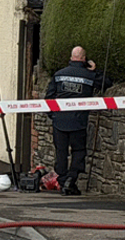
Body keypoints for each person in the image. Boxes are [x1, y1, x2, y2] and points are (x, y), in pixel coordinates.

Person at [44, 46, 112, 196]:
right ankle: (71, 180)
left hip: (59, 121)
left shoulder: (59, 75)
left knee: (61, 153)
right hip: (78, 122)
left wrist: (53, 115)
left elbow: (48, 98)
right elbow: (106, 83)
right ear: (84, 59)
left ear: (71, 57)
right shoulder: (89, 75)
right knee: (79, 152)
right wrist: (94, 70)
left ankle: (63, 182)